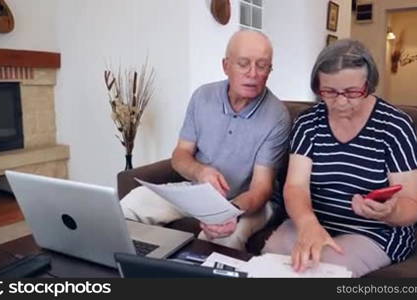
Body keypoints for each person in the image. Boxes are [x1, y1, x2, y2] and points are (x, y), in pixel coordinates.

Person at [262, 39, 417, 277]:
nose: (340, 102)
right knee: (269, 264)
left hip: (373, 233)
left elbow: (412, 204)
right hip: (313, 222)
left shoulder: (395, 126)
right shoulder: (308, 123)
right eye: (329, 92)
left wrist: (390, 212)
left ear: (368, 85)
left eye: (351, 92)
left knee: (320, 271)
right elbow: (295, 186)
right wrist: (308, 224)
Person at [121, 30, 291, 251]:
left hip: (249, 203)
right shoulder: (203, 96)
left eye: (262, 65)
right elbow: (180, 155)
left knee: (223, 238)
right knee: (132, 203)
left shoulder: (277, 116)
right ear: (225, 65)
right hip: (198, 192)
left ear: (270, 70)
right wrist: (200, 172)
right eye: (243, 63)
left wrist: (230, 212)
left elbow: (261, 188)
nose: (253, 73)